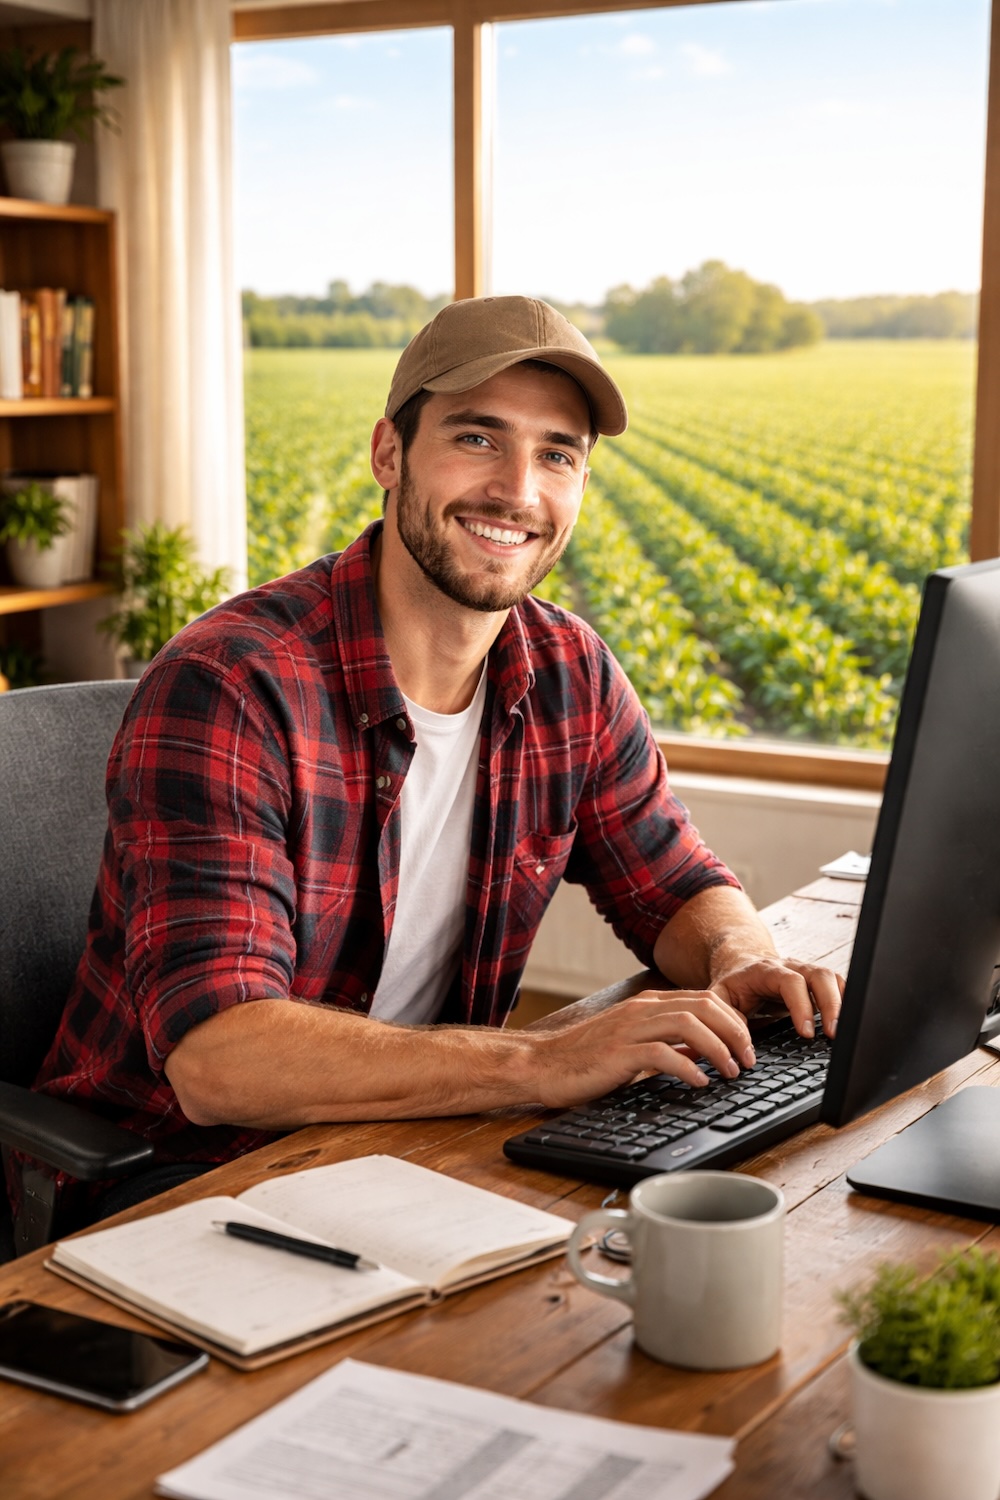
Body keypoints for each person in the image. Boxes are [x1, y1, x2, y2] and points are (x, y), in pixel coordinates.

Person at [34, 295, 842, 1184]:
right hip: (175, 1183)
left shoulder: (569, 669)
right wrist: (544, 1063)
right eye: (477, 437)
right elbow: (220, 1061)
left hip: (403, 1146)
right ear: (389, 452)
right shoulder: (233, 685)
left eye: (556, 455)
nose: (517, 491)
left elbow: (675, 880)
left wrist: (743, 959)